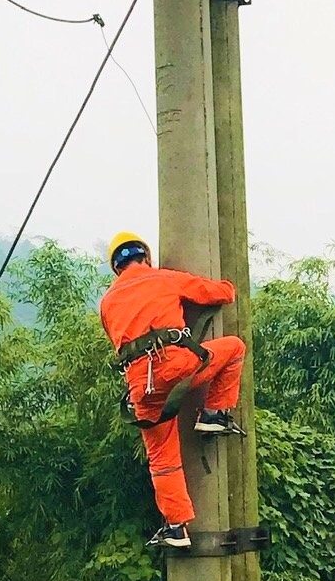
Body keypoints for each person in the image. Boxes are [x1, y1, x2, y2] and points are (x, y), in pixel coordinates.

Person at [99, 231, 246, 550]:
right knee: (234, 347)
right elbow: (213, 293)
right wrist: (231, 287)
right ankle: (213, 413)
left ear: (116, 267)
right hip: (178, 368)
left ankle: (176, 526)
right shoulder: (162, 278)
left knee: (162, 458)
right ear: (146, 257)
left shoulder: (107, 302)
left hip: (142, 388)